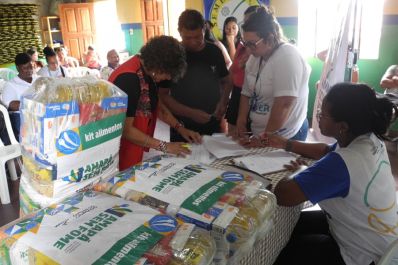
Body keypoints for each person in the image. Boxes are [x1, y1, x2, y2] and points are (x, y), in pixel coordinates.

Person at [261, 83, 398, 265]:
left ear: (342, 126)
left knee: (286, 252)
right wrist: (286, 144)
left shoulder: (344, 163)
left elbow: (283, 194)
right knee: (290, 226)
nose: (318, 117)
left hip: (366, 258)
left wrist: (301, 171)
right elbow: (326, 151)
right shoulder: (367, 139)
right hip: (384, 241)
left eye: (322, 115)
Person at [108, 36, 202, 170]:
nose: (169, 77)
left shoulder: (147, 72)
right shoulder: (129, 78)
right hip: (122, 153)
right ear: (159, 65)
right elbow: (125, 130)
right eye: (168, 73)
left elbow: (157, 106)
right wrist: (165, 146)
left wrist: (180, 128)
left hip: (138, 148)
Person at [236, 6, 310, 141]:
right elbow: (246, 94)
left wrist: (265, 138)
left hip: (285, 136)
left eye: (252, 44)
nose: (248, 48)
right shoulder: (255, 56)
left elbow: (284, 104)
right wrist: (241, 122)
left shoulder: (287, 56)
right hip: (260, 133)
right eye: (245, 43)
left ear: (269, 39)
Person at [159, 9, 233, 142]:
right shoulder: (172, 55)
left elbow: (227, 81)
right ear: (179, 32)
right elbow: (163, 95)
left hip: (213, 124)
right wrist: (192, 113)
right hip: (182, 127)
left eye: (198, 36)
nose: (193, 42)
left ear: (204, 29)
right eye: (188, 38)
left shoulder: (214, 51)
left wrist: (223, 102)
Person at [225, 5, 258, 136]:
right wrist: (224, 101)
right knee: (233, 134)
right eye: (245, 23)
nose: (246, 28)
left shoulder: (261, 49)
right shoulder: (242, 45)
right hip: (237, 92)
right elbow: (233, 69)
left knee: (248, 136)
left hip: (253, 96)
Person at [2, 53, 37, 141]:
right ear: (18, 68)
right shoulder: (11, 85)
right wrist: (35, 104)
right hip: (22, 118)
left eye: (30, 67)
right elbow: (11, 105)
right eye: (25, 68)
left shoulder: (38, 79)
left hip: (40, 114)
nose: (29, 70)